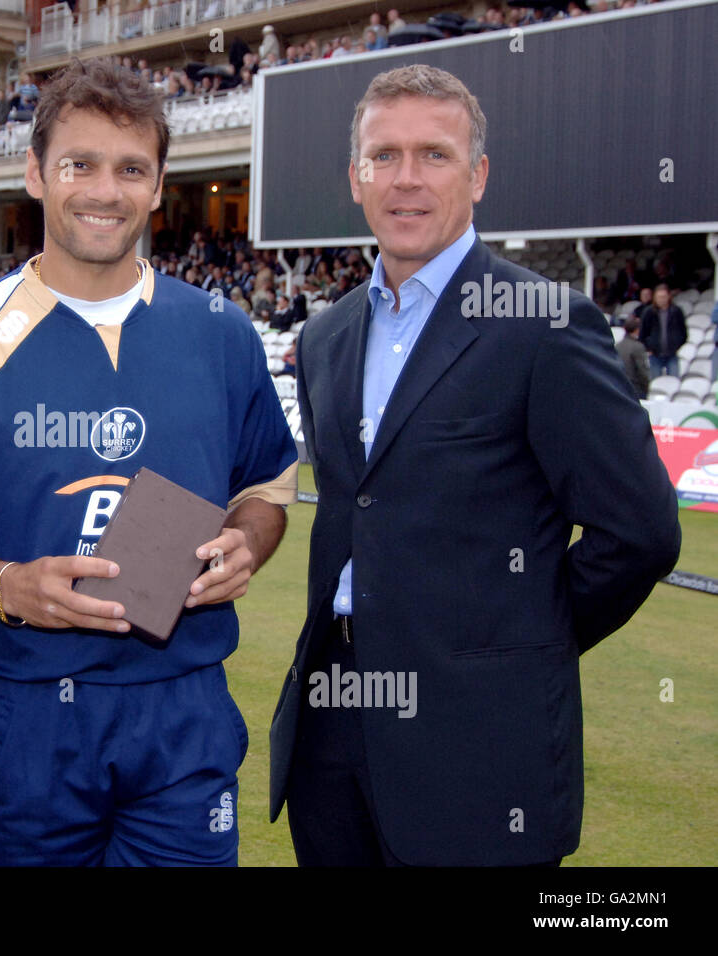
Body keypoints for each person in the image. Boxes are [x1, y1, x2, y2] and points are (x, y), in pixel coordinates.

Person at [0, 58, 298, 866]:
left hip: (184, 707)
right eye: (80, 165)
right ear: (35, 173)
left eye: (131, 168)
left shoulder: (221, 333)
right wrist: (7, 586)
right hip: (24, 711)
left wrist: (248, 540)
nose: (106, 190)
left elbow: (265, 488)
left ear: (160, 183)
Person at [267, 65, 680, 867]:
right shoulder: (325, 339)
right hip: (331, 738)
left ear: (479, 175)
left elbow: (640, 531)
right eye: (383, 155)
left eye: (435, 154)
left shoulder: (547, 325)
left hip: (479, 753)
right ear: (356, 177)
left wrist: (519, 637)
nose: (406, 178)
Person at [638, 283, 687, 379]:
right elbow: (643, 333)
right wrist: (649, 348)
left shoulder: (676, 311)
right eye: (659, 297)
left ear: (669, 296)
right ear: (654, 298)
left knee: (674, 381)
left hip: (672, 354)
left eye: (663, 297)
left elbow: (683, 332)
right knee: (655, 382)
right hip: (654, 355)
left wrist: (676, 345)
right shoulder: (648, 312)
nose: (661, 300)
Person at [616, 314, 650, 398]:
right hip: (635, 388)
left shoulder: (618, 346)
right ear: (637, 330)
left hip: (620, 386)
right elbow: (642, 370)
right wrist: (647, 386)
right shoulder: (637, 347)